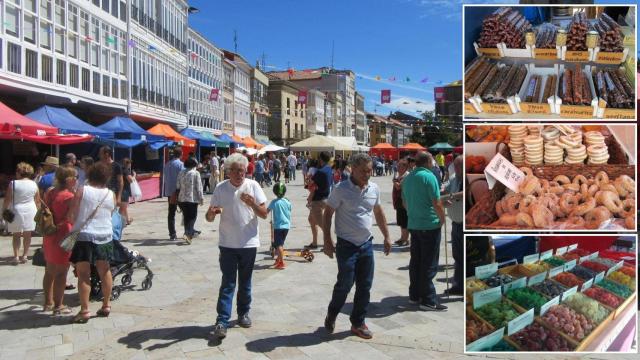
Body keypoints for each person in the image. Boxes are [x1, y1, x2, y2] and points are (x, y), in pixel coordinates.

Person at [322, 153, 391, 339]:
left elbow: (378, 212)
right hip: (346, 245)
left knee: (365, 285)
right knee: (345, 284)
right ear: (352, 168)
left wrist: (387, 236)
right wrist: (327, 240)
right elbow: (328, 213)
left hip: (366, 244)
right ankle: (332, 313)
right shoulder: (340, 189)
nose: (367, 175)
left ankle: (358, 322)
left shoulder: (374, 188)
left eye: (369, 171)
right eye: (363, 171)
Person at [206, 153, 268, 340]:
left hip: (248, 243)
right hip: (227, 244)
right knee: (228, 283)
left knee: (245, 282)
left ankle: (243, 314)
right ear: (228, 171)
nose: (240, 174)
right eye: (236, 171)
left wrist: (253, 204)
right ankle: (222, 320)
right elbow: (209, 218)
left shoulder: (254, 186)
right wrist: (211, 213)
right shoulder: (220, 188)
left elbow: (264, 213)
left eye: (243, 171)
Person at [68, 163, 116, 323]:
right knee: (105, 270)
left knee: (83, 274)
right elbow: (111, 212)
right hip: (105, 235)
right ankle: (106, 305)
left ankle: (84, 310)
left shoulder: (82, 191)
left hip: (85, 236)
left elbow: (71, 215)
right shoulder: (111, 194)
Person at [401, 151, 447, 311]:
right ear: (428, 162)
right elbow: (436, 202)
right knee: (429, 263)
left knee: (416, 261)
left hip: (414, 224)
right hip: (429, 224)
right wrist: (442, 218)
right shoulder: (429, 177)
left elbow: (404, 201)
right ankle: (428, 299)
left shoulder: (408, 178)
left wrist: (414, 213)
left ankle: (414, 295)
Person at [42, 166, 77, 314]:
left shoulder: (50, 192)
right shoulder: (69, 196)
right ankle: (59, 305)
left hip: (49, 233)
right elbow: (72, 217)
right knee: (62, 272)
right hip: (64, 233)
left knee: (49, 270)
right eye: (75, 178)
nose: (77, 180)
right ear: (69, 180)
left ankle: (47, 302)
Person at [2, 162, 40, 264]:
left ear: (19, 172)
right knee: (28, 234)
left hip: (16, 210)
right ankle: (25, 255)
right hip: (31, 210)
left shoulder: (13, 183)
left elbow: (7, 199)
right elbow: (37, 200)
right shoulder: (34, 184)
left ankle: (16, 256)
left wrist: (4, 211)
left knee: (16, 235)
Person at [443, 156, 463, 296]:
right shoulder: (455, 178)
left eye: (459, 166)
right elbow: (445, 189)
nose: (456, 169)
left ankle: (465, 286)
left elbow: (463, 193)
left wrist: (452, 196)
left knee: (467, 256)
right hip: (456, 223)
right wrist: (443, 196)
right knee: (457, 255)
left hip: (466, 225)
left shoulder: (467, 177)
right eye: (455, 166)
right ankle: (458, 284)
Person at [306, 152, 332, 249]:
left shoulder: (320, 172)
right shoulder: (329, 168)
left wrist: (308, 180)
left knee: (323, 225)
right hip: (325, 198)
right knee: (311, 220)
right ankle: (314, 243)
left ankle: (330, 244)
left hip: (318, 200)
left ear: (320, 159)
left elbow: (310, 184)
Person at [176, 157, 204, 244]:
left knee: (186, 216)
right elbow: (199, 187)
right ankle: (188, 233)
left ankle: (188, 233)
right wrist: (201, 198)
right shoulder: (196, 173)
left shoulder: (181, 172)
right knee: (192, 217)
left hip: (181, 198)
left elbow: (177, 186)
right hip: (192, 199)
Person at [267, 182, 291, 270]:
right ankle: (278, 259)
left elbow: (267, 211)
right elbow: (289, 211)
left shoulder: (274, 202)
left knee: (279, 245)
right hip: (286, 226)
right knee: (280, 243)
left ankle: (281, 262)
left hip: (278, 227)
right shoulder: (287, 201)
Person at [163, 147, 184, 241]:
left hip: (169, 192)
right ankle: (188, 231)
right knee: (187, 212)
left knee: (171, 213)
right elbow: (183, 178)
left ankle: (172, 234)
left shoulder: (167, 164)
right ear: (181, 154)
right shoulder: (180, 165)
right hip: (179, 192)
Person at [392, 158, 410, 246]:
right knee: (400, 220)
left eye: (400, 166)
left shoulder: (406, 176)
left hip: (404, 201)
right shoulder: (399, 175)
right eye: (398, 166)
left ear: (405, 168)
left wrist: (394, 181)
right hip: (399, 201)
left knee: (404, 221)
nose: (398, 168)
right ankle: (402, 237)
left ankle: (405, 239)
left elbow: (399, 187)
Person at [120, 158, 135, 225]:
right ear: (128, 164)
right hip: (125, 190)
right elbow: (131, 180)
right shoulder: (126, 171)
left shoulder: (120, 170)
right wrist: (134, 175)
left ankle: (128, 219)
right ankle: (119, 222)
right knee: (123, 207)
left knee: (124, 206)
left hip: (121, 190)